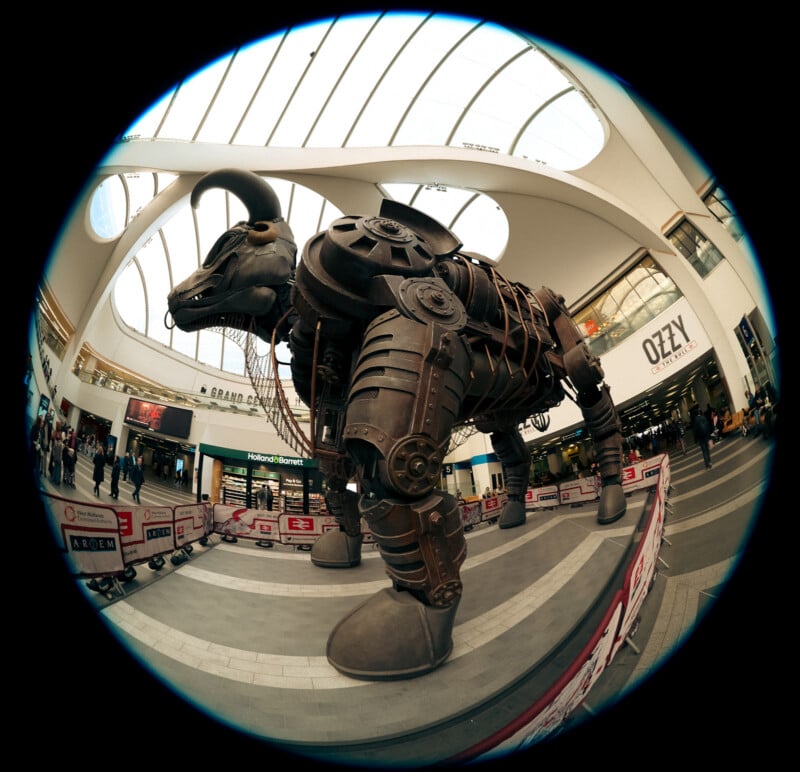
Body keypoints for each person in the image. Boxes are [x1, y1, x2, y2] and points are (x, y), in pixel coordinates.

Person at [690, 404, 713, 470]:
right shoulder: (704, 417)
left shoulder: (695, 421)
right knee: (707, 450)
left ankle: (707, 465)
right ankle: (710, 462)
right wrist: (709, 436)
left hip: (701, 438)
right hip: (706, 436)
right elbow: (708, 427)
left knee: (704, 451)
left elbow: (695, 431)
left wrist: (696, 439)